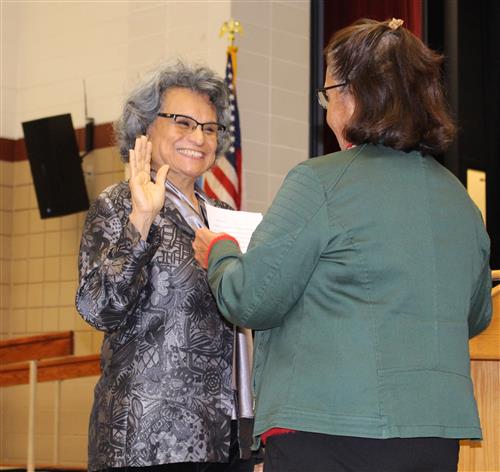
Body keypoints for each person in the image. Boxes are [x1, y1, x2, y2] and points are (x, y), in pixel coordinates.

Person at [192, 18, 492, 472]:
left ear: (354, 96)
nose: (327, 110)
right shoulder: (460, 202)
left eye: (328, 95)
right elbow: (475, 315)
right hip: (434, 436)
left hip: (332, 430)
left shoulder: (319, 182)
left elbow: (250, 299)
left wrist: (221, 252)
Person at [76, 62, 255, 472]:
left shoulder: (224, 215)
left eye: (210, 128)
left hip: (225, 436)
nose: (199, 137)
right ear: (145, 128)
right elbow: (98, 307)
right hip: (147, 437)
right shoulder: (118, 204)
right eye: (183, 122)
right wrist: (141, 219)